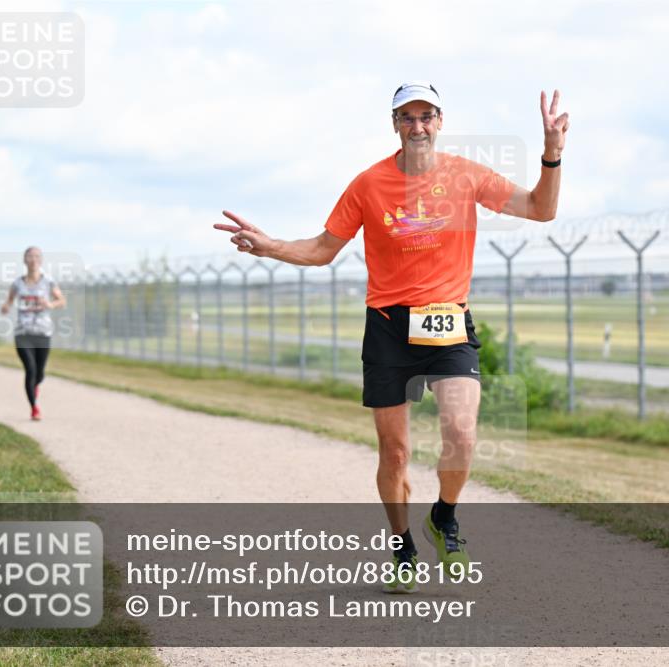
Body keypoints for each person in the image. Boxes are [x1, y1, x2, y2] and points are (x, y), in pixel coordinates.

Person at [214, 81, 568, 592]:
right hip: (388, 328)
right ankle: (402, 547)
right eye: (407, 117)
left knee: (462, 434)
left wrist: (552, 154)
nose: (417, 125)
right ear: (395, 124)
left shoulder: (467, 175)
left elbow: (540, 208)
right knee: (395, 454)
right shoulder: (368, 184)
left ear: (440, 121)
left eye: (426, 116)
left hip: (447, 323)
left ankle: (443, 518)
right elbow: (322, 249)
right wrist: (269, 247)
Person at [0, 247, 66, 421]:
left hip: (43, 332)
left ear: (41, 260)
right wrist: (5, 307)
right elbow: (9, 301)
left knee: (40, 374)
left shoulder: (48, 281)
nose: (33, 259)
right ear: (25, 260)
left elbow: (61, 301)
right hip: (23, 332)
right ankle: (34, 408)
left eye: (36, 256)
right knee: (30, 369)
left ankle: (34, 386)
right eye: (30, 256)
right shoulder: (17, 283)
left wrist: (50, 304)